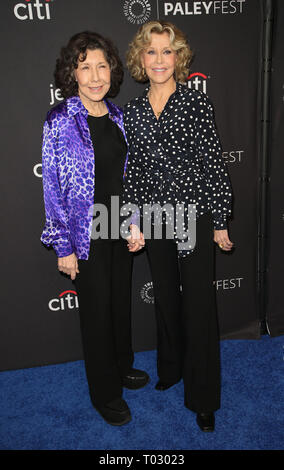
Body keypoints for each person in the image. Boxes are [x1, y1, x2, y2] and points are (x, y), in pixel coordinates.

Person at [123, 21, 233, 432]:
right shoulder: (132, 111)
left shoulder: (195, 103)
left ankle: (204, 396)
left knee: (200, 307)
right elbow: (132, 173)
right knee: (166, 297)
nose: (159, 60)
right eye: (150, 52)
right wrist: (131, 220)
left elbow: (213, 163)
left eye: (166, 51)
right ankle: (171, 368)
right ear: (140, 59)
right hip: (154, 217)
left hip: (193, 214)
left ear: (178, 57)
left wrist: (220, 219)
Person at [40, 31, 149, 426]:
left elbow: (129, 178)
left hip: (117, 229)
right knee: (97, 316)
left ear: (113, 70)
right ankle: (104, 393)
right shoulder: (59, 120)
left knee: (120, 306)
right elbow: (51, 187)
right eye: (85, 67)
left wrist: (134, 223)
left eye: (102, 65)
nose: (95, 75)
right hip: (84, 238)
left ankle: (122, 367)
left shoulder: (119, 118)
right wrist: (63, 245)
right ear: (72, 73)